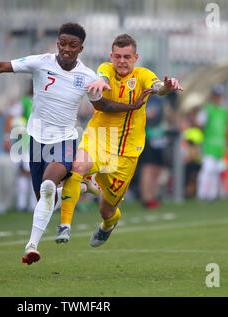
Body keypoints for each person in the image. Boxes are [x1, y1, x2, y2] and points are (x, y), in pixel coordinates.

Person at [0, 23, 151, 265]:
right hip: (36, 139)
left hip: (65, 139)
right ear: (57, 43)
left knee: (49, 186)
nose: (66, 49)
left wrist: (132, 106)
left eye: (72, 45)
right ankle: (82, 187)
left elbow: (103, 106)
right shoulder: (41, 62)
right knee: (43, 197)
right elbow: (1, 66)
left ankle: (32, 246)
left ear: (81, 48)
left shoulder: (87, 76)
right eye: (62, 43)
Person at [56, 34, 183, 247]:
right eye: (118, 56)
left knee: (107, 210)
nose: (121, 61)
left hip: (127, 153)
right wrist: (99, 81)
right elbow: (102, 77)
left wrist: (167, 87)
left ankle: (109, 224)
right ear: (111, 56)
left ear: (135, 57)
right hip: (100, 138)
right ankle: (65, 226)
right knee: (77, 165)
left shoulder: (143, 75)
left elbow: (158, 87)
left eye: (127, 56)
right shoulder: (106, 69)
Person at [4, 82, 36, 212]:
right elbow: (10, 118)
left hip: (42, 142)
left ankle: (32, 205)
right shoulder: (24, 102)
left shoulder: (45, 101)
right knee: (26, 173)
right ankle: (23, 204)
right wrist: (6, 138)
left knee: (35, 174)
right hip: (26, 142)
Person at [196, 85, 228, 201]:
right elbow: (199, 124)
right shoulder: (207, 110)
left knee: (216, 171)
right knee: (207, 170)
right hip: (209, 145)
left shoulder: (223, 111)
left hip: (219, 146)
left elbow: (225, 129)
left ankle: (212, 194)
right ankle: (202, 193)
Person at [138, 94, 167, 209]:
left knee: (158, 168)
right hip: (146, 136)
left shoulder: (159, 99)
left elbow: (160, 116)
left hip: (158, 137)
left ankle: (153, 196)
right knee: (148, 168)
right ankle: (147, 198)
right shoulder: (142, 97)